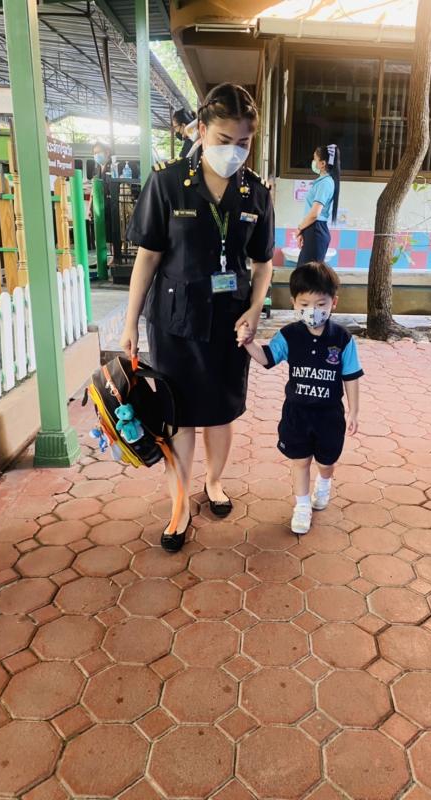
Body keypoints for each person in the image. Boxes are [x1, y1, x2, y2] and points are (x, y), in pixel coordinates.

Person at [121, 82, 274, 552]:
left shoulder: (255, 192)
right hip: (175, 321)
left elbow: (263, 263)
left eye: (244, 142)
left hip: (230, 322)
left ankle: (214, 482)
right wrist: (129, 323)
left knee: (222, 411)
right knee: (180, 416)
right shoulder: (167, 183)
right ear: (202, 130)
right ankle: (179, 503)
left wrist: (255, 309)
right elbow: (148, 257)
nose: (235, 151)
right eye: (225, 139)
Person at [238, 261, 363, 535]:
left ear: (333, 302)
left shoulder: (343, 339)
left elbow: (351, 376)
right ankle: (302, 506)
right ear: (294, 302)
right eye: (305, 304)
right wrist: (249, 342)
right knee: (300, 461)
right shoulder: (289, 335)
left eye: (320, 304)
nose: (313, 311)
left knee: (326, 463)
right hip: (296, 414)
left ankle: (324, 483)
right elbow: (267, 358)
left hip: (329, 416)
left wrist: (353, 410)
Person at [296, 144, 341, 266]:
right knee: (305, 272)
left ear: (322, 163)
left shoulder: (325, 183)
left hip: (315, 230)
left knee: (308, 273)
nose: (313, 162)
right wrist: (303, 231)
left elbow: (315, 214)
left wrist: (299, 229)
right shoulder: (322, 182)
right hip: (313, 230)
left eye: (315, 159)